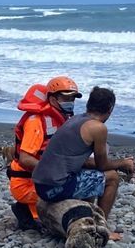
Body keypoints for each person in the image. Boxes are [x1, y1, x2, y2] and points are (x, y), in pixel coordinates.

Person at [32, 86, 135, 240]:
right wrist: (123, 163)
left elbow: (83, 161)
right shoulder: (98, 128)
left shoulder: (75, 120)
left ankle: (87, 215)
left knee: (92, 177)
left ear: (89, 104)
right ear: (110, 109)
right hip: (54, 188)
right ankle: (102, 228)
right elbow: (103, 165)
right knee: (112, 177)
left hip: (41, 185)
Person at [9, 76, 81, 230]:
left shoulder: (62, 118)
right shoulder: (36, 122)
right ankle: (26, 211)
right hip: (26, 183)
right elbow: (25, 159)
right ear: (53, 98)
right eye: (66, 98)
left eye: (73, 98)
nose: (70, 102)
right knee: (74, 193)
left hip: (40, 179)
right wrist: (56, 172)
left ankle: (29, 210)